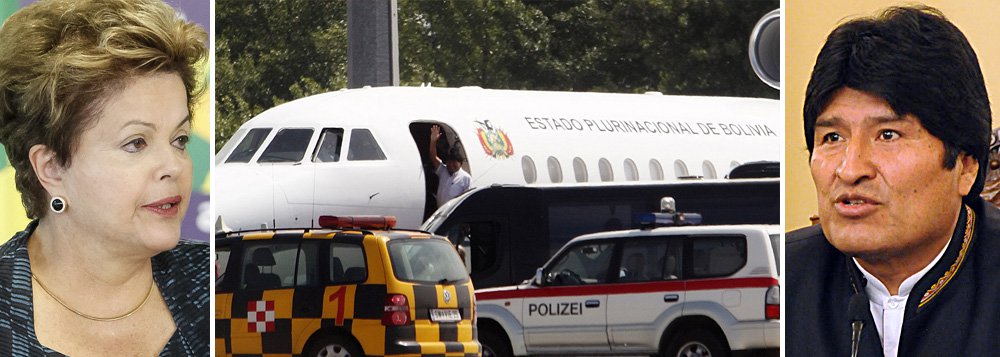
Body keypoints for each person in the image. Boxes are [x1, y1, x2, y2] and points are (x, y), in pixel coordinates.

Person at [786, 6, 1000, 356]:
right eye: (832, 138)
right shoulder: (785, 278)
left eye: (887, 134)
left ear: (965, 167)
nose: (849, 169)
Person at [0, 0, 208, 355]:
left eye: (179, 140)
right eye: (136, 143)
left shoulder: (210, 280)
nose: (174, 166)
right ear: (51, 168)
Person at [429, 125, 471, 207]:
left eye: (454, 162)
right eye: (449, 162)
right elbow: (433, 157)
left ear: (460, 162)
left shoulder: (465, 178)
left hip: (454, 216)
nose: (451, 165)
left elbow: (466, 201)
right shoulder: (443, 171)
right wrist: (433, 141)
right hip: (440, 212)